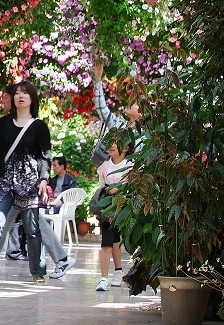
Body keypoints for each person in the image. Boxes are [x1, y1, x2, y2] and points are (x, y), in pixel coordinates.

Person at [0, 80, 53, 283]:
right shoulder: (3, 124)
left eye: (25, 93)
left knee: (32, 229)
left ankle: (38, 272)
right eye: (17, 93)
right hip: (4, 181)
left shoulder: (39, 127)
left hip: (30, 183)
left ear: (32, 98)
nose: (20, 96)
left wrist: (43, 179)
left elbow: (45, 156)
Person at [95, 136, 134, 291]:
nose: (111, 146)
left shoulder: (131, 166)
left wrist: (121, 190)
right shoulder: (104, 167)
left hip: (125, 206)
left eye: (116, 143)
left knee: (116, 239)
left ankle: (118, 271)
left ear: (126, 148)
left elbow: (133, 187)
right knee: (107, 242)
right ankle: (104, 278)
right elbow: (100, 188)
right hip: (109, 207)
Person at [92, 60, 143, 132]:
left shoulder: (142, 138)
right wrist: (98, 77)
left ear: (142, 114)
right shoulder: (119, 126)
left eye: (136, 103)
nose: (131, 102)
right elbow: (102, 108)